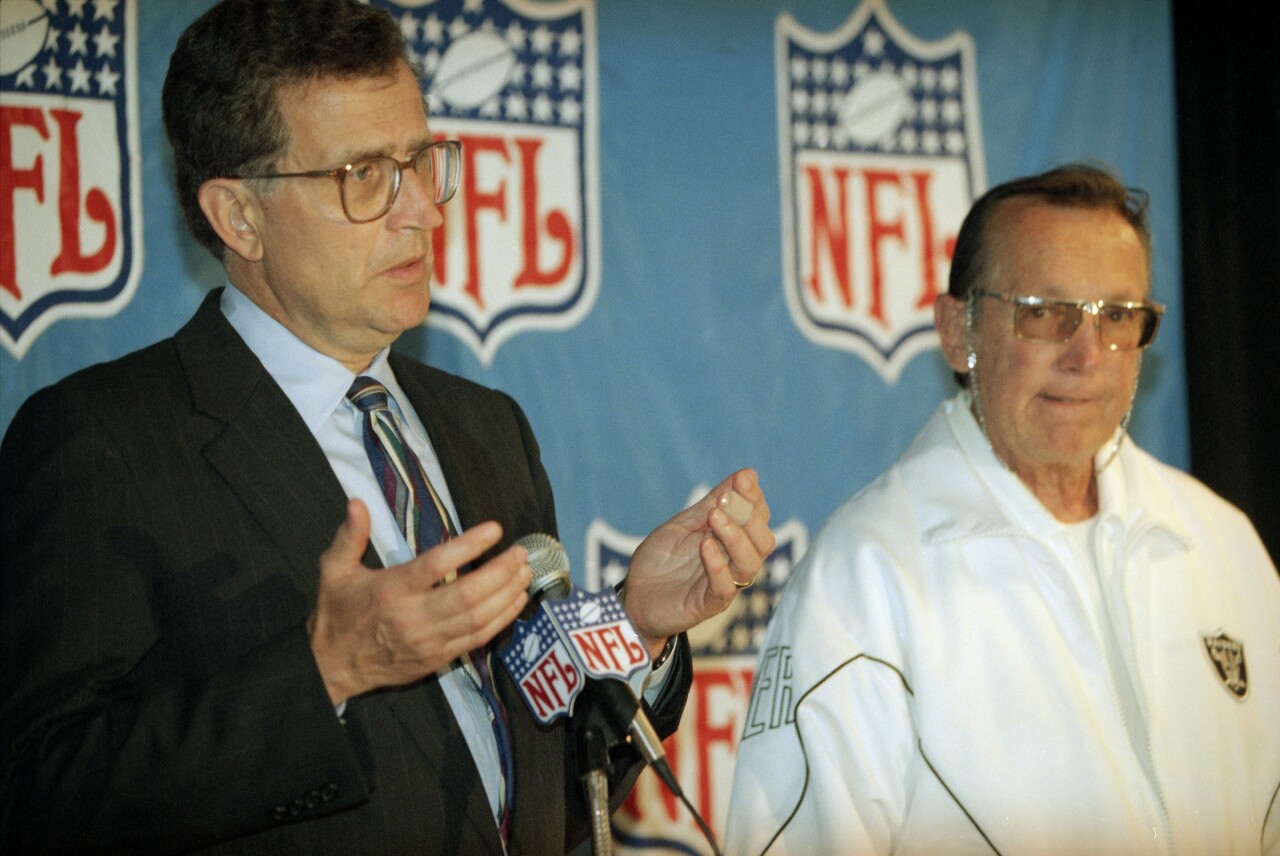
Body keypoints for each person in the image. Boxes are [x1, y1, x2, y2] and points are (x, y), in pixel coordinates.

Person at [0, 1, 775, 853]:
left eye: (419, 161)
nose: (424, 212)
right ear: (239, 216)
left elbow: (534, 794)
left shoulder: (485, 429)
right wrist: (328, 672)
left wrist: (635, 625)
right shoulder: (104, 441)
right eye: (364, 175)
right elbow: (42, 793)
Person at [725, 164, 1279, 855]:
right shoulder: (864, 577)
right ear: (958, 332)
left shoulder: (1223, 544)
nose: (1086, 355)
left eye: (1116, 317)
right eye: (1043, 312)